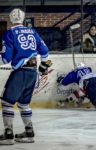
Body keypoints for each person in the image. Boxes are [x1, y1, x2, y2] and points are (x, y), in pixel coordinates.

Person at [0, 8, 52, 145]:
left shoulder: (9, 33)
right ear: (23, 19)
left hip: (20, 73)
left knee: (7, 103)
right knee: (24, 104)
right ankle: (29, 133)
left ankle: (8, 135)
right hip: (32, 73)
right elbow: (45, 53)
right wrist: (44, 66)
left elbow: (6, 59)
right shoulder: (33, 32)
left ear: (11, 20)